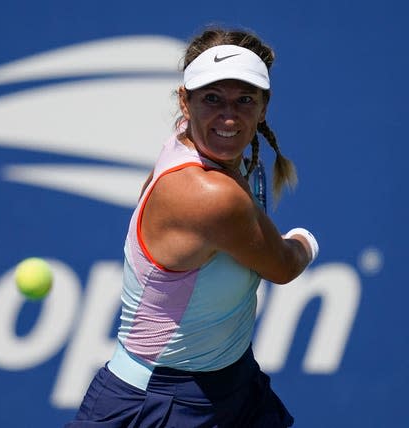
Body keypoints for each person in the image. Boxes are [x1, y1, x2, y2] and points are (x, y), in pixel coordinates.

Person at [65, 27, 319, 427]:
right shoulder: (209, 194)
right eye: (212, 99)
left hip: (234, 381)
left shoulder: (191, 142)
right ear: (185, 100)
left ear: (264, 106)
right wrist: (305, 241)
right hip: (160, 404)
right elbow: (284, 266)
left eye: (245, 100)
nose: (229, 117)